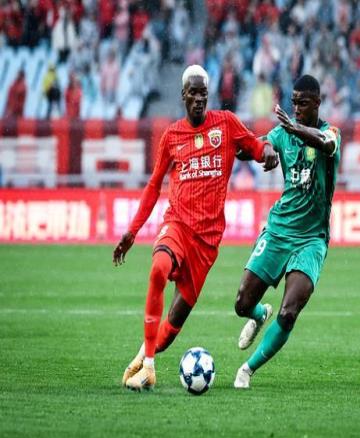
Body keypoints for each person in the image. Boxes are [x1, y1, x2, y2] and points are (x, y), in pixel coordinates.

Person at [113, 65, 278, 391]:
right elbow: (153, 185)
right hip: (177, 225)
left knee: (173, 324)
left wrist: (269, 151)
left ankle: (143, 357)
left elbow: (257, 147)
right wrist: (132, 231)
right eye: (193, 93)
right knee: (158, 268)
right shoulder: (172, 136)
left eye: (204, 93)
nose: (199, 98)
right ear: (183, 96)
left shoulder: (226, 124)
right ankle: (149, 366)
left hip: (206, 243)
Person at [232, 75, 341, 388]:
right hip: (278, 230)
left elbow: (325, 143)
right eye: (293, 102)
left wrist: (295, 130)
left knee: (290, 311)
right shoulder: (282, 133)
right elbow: (253, 148)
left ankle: (246, 370)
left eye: (302, 103)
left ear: (317, 103)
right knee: (241, 303)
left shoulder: (331, 133)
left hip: (311, 240)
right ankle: (258, 314)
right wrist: (263, 148)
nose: (296, 108)